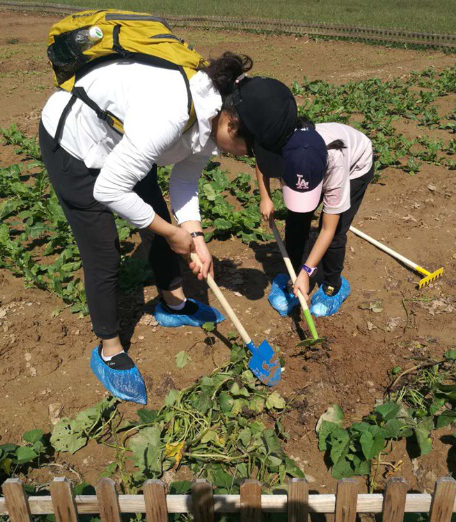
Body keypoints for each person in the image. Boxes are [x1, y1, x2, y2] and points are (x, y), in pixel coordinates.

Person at [39, 51, 297, 404]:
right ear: (232, 125)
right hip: (75, 140)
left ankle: (172, 305)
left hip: (128, 137)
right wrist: (172, 232)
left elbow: (186, 177)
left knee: (156, 217)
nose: (243, 158)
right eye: (246, 151)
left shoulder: (214, 113)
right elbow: (108, 190)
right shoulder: (172, 114)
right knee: (103, 250)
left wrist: (195, 237)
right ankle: (109, 350)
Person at [256, 118, 375, 318]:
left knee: (336, 232)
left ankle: (332, 286)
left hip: (355, 166)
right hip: (311, 166)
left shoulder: (335, 164)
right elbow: (261, 158)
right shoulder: (282, 148)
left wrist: (308, 271)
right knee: (296, 221)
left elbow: (328, 229)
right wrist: (265, 196)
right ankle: (294, 278)